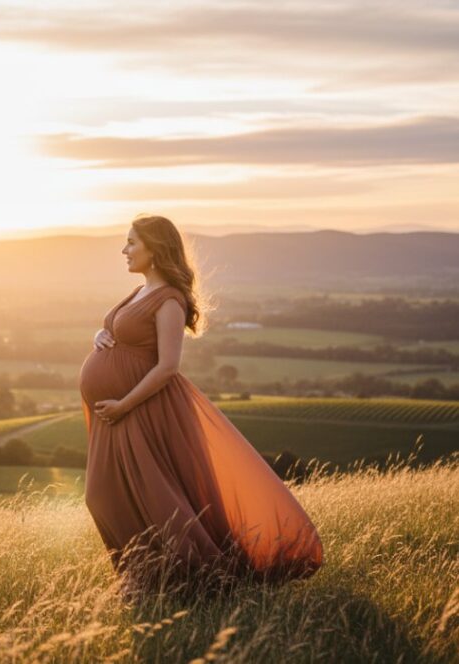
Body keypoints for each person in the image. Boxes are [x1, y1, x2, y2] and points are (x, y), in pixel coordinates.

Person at [78, 215, 323, 602]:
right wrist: (100, 334)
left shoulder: (170, 299)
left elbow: (168, 366)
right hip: (117, 415)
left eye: (131, 243)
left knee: (153, 499)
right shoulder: (139, 291)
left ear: (154, 250)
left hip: (140, 412)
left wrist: (125, 404)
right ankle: (142, 577)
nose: (124, 250)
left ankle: (191, 580)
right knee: (103, 496)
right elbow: (122, 336)